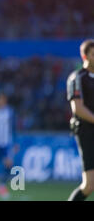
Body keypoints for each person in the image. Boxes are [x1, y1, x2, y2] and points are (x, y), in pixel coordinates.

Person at [67, 39, 94, 201]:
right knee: (89, 186)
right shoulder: (77, 78)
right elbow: (78, 109)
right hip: (87, 132)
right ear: (85, 56)